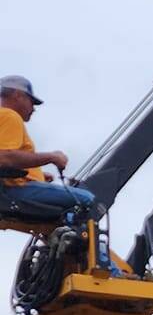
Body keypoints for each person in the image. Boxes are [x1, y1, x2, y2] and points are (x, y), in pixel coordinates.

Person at [0, 74, 98, 221]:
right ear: (17, 95)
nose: (33, 109)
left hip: (11, 187)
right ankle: (72, 240)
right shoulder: (10, 116)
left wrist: (36, 174)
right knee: (88, 200)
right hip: (15, 191)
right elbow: (5, 157)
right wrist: (52, 157)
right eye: (31, 102)